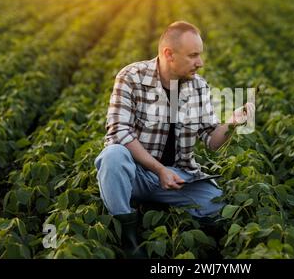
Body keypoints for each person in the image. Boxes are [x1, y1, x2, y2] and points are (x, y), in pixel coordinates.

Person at [94, 21, 254, 258]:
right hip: (136, 173)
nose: (200, 62)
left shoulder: (199, 87)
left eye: (199, 55)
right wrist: (159, 170)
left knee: (218, 206)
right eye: (193, 56)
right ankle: (128, 238)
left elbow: (210, 140)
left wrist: (231, 122)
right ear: (169, 54)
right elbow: (119, 131)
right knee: (112, 156)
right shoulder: (131, 77)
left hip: (177, 177)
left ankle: (158, 206)